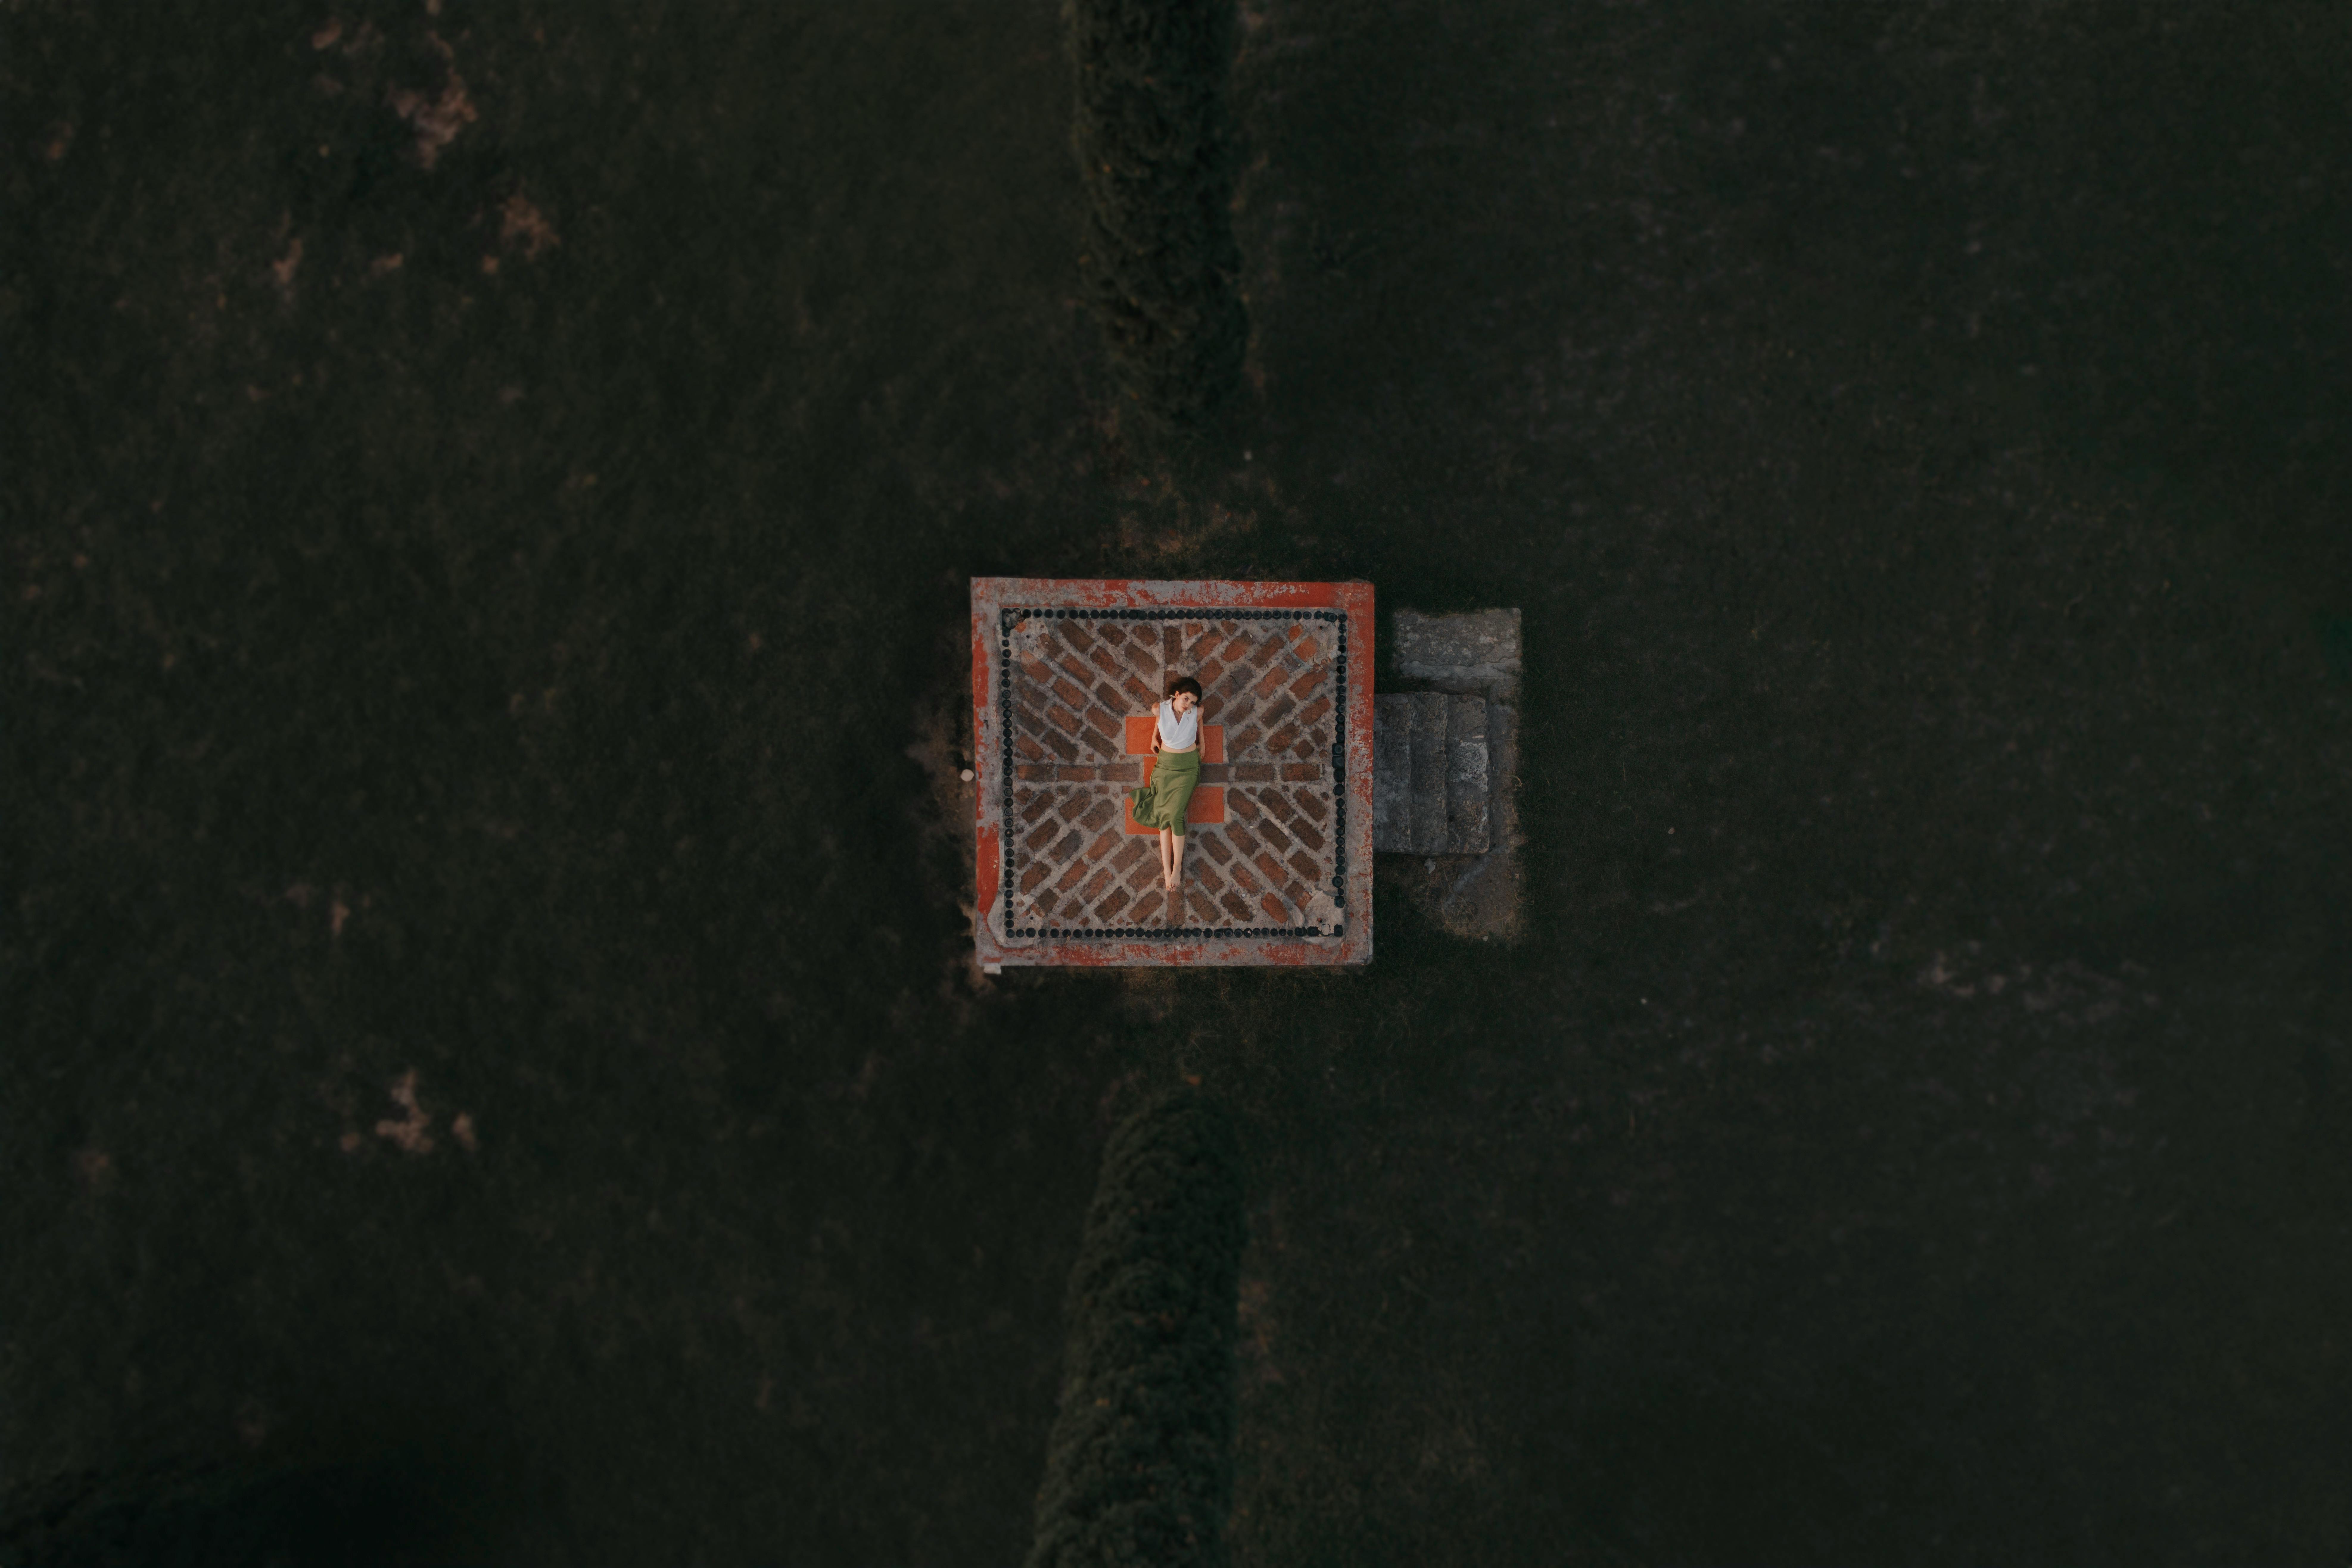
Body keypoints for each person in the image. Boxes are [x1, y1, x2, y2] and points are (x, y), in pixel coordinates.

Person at [1129, 676, 1204, 891]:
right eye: (1186, 699)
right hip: (1166, 765)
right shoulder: (1158, 709)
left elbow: (1200, 725)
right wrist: (1154, 738)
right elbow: (1160, 720)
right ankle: (1166, 869)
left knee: (1176, 815)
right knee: (1164, 815)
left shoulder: (1197, 712)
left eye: (1192, 702)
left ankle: (1177, 866)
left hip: (1188, 768)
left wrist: (1203, 745)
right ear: (1177, 695)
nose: (1188, 704)